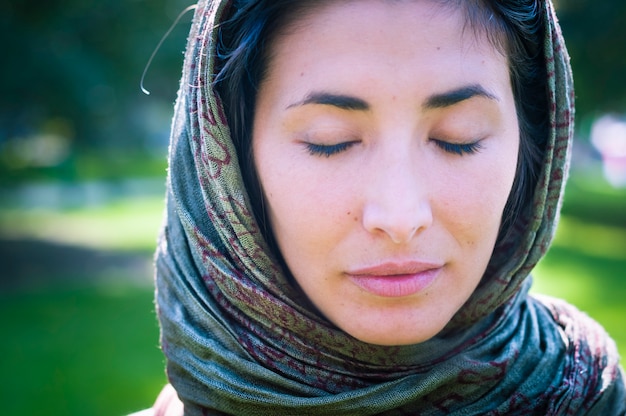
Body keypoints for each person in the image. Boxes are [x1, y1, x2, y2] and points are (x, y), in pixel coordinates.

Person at [146, 0, 626, 414]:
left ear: (532, 142)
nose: (400, 218)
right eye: (329, 142)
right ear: (227, 159)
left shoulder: (589, 397)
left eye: (457, 138)